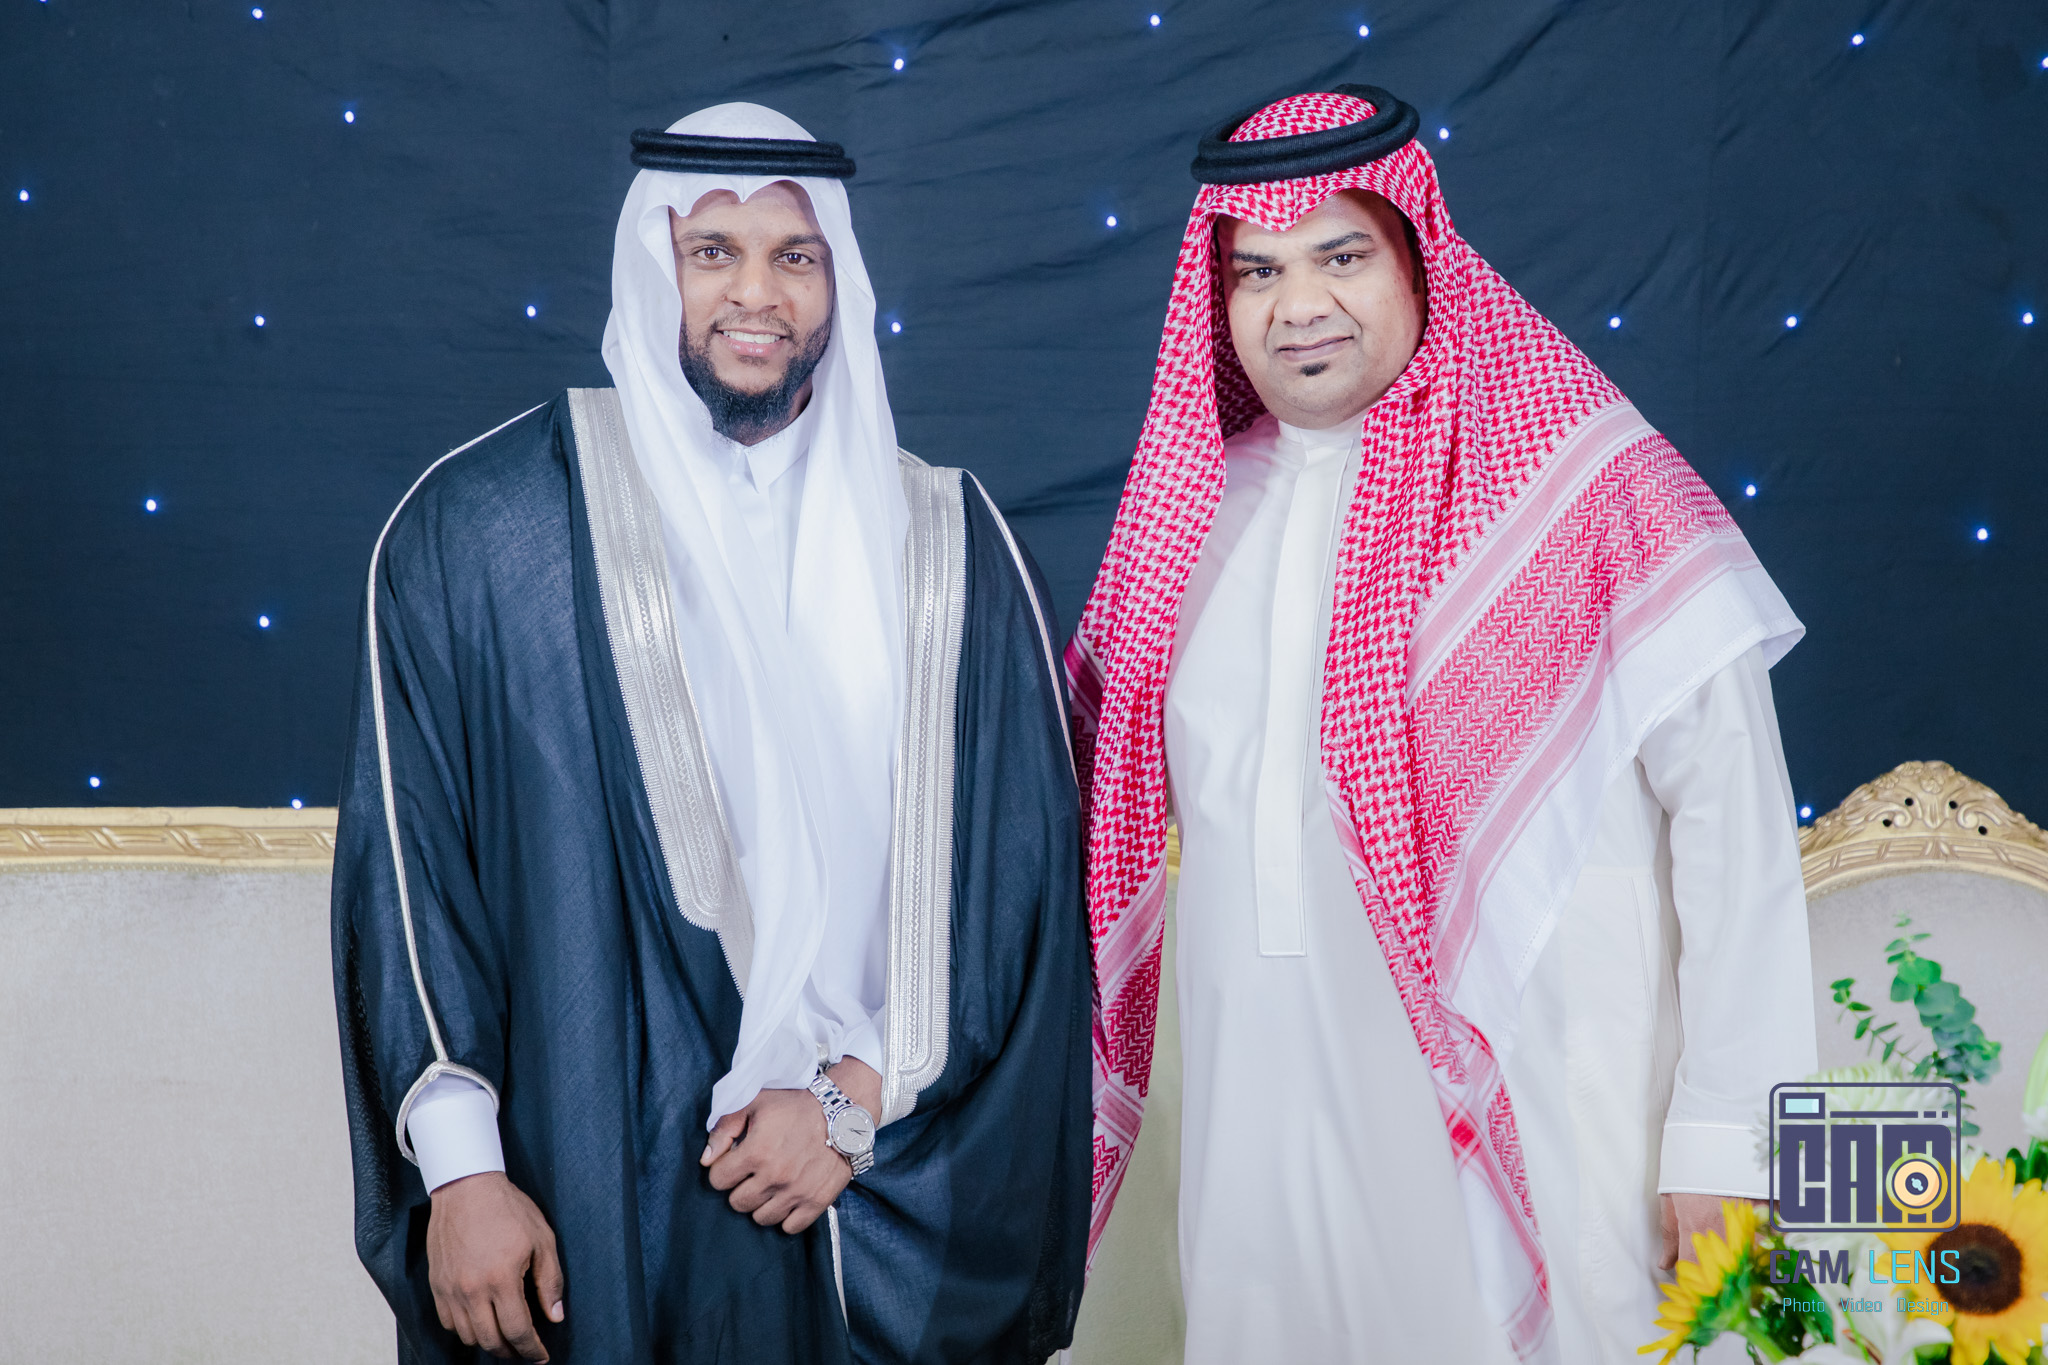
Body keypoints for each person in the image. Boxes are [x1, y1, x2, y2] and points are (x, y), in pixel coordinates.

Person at [1065, 85, 1817, 1363]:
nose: (1296, 305)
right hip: (1263, 1141)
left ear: (1417, 257)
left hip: (1555, 1116)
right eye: (1256, 271)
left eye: (1339, 255)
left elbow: (1736, 825)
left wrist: (1728, 1139)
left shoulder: (1581, 484)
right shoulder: (1181, 524)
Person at [332, 102, 1091, 1365]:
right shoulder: (483, 533)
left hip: (870, 1185)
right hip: (592, 1187)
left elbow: (1020, 888)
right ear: (652, 267)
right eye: (711, 252)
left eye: (795, 256)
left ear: (839, 281)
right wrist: (461, 1174)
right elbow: (412, 879)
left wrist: (851, 1105)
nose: (756, 294)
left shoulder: (950, 549)